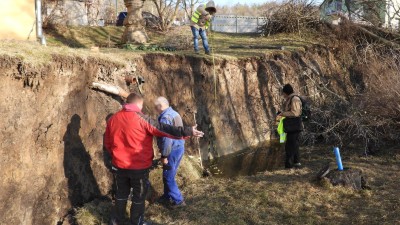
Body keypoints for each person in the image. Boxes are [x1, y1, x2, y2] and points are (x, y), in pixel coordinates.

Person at [105, 93, 204, 225]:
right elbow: (164, 129)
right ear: (138, 104)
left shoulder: (113, 119)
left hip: (120, 166)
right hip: (138, 167)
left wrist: (116, 156)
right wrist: (187, 131)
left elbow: (107, 143)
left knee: (121, 194)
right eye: (141, 106)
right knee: (139, 197)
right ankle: (137, 222)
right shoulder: (142, 119)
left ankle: (116, 221)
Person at [154, 97, 186, 208]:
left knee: (168, 177)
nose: (155, 110)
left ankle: (178, 200)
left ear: (160, 106)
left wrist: (164, 155)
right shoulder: (174, 113)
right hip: (179, 147)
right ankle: (167, 196)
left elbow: (167, 139)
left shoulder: (165, 118)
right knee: (168, 174)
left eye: (155, 107)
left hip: (172, 150)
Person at [276, 84, 303, 169]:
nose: (283, 95)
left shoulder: (294, 99)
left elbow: (295, 113)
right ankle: (297, 163)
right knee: (294, 145)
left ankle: (289, 166)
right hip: (294, 126)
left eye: (283, 93)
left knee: (290, 146)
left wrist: (282, 114)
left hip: (294, 126)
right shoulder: (291, 98)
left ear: (286, 92)